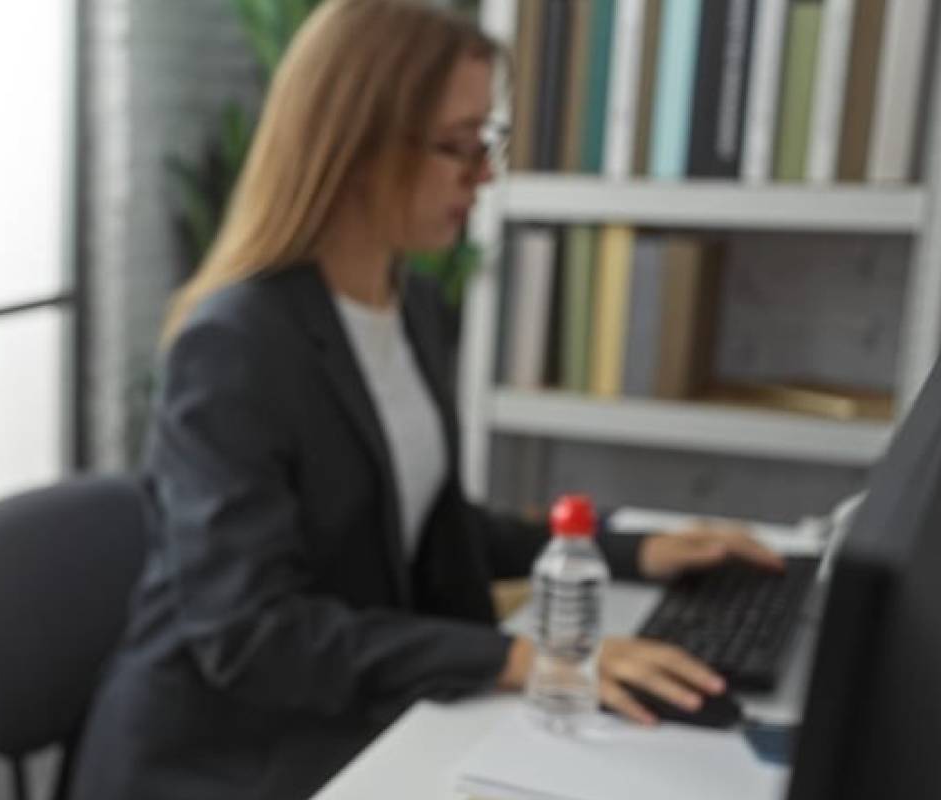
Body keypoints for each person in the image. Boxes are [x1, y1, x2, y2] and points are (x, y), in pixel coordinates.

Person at [70, 1, 783, 798]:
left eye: (488, 142)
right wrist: (523, 660)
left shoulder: (407, 307)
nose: (484, 173)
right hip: (222, 752)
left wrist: (630, 549)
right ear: (357, 146)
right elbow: (252, 633)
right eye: (458, 145)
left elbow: (431, 521)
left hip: (339, 712)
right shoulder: (235, 344)